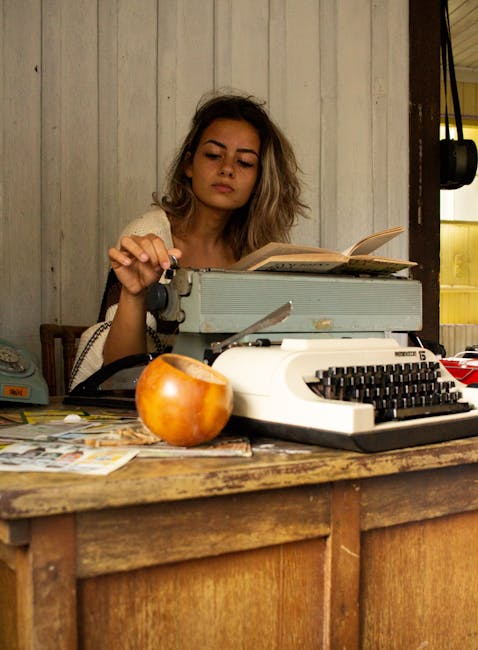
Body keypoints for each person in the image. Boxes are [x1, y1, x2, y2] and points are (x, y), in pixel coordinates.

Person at [69, 91, 308, 389]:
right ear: (188, 164)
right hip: (153, 403)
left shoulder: (260, 252)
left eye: (245, 162)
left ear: (259, 180)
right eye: (212, 155)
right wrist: (134, 295)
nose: (227, 168)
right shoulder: (149, 236)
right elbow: (120, 374)